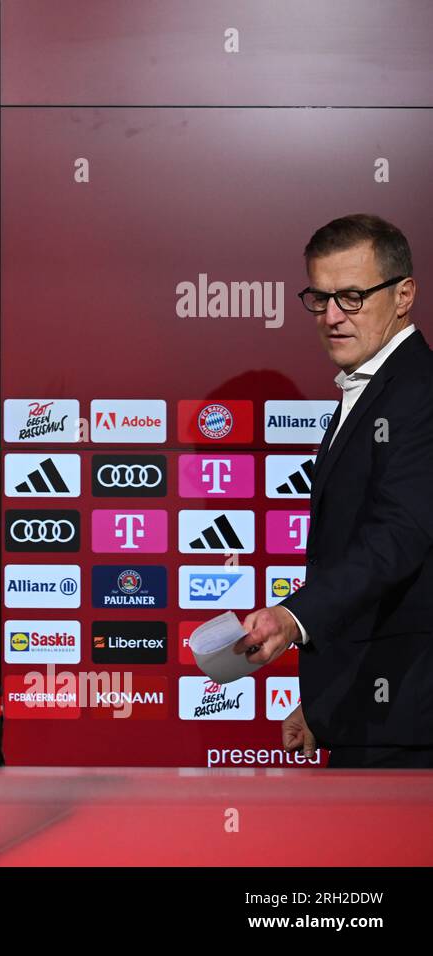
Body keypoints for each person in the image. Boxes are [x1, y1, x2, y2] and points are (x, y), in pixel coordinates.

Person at [237, 214, 429, 768]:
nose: (332, 317)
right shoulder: (374, 390)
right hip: (372, 710)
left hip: (409, 718)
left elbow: (400, 535)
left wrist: (293, 618)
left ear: (403, 295)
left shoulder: (419, 392)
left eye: (351, 296)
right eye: (319, 299)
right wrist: (324, 702)